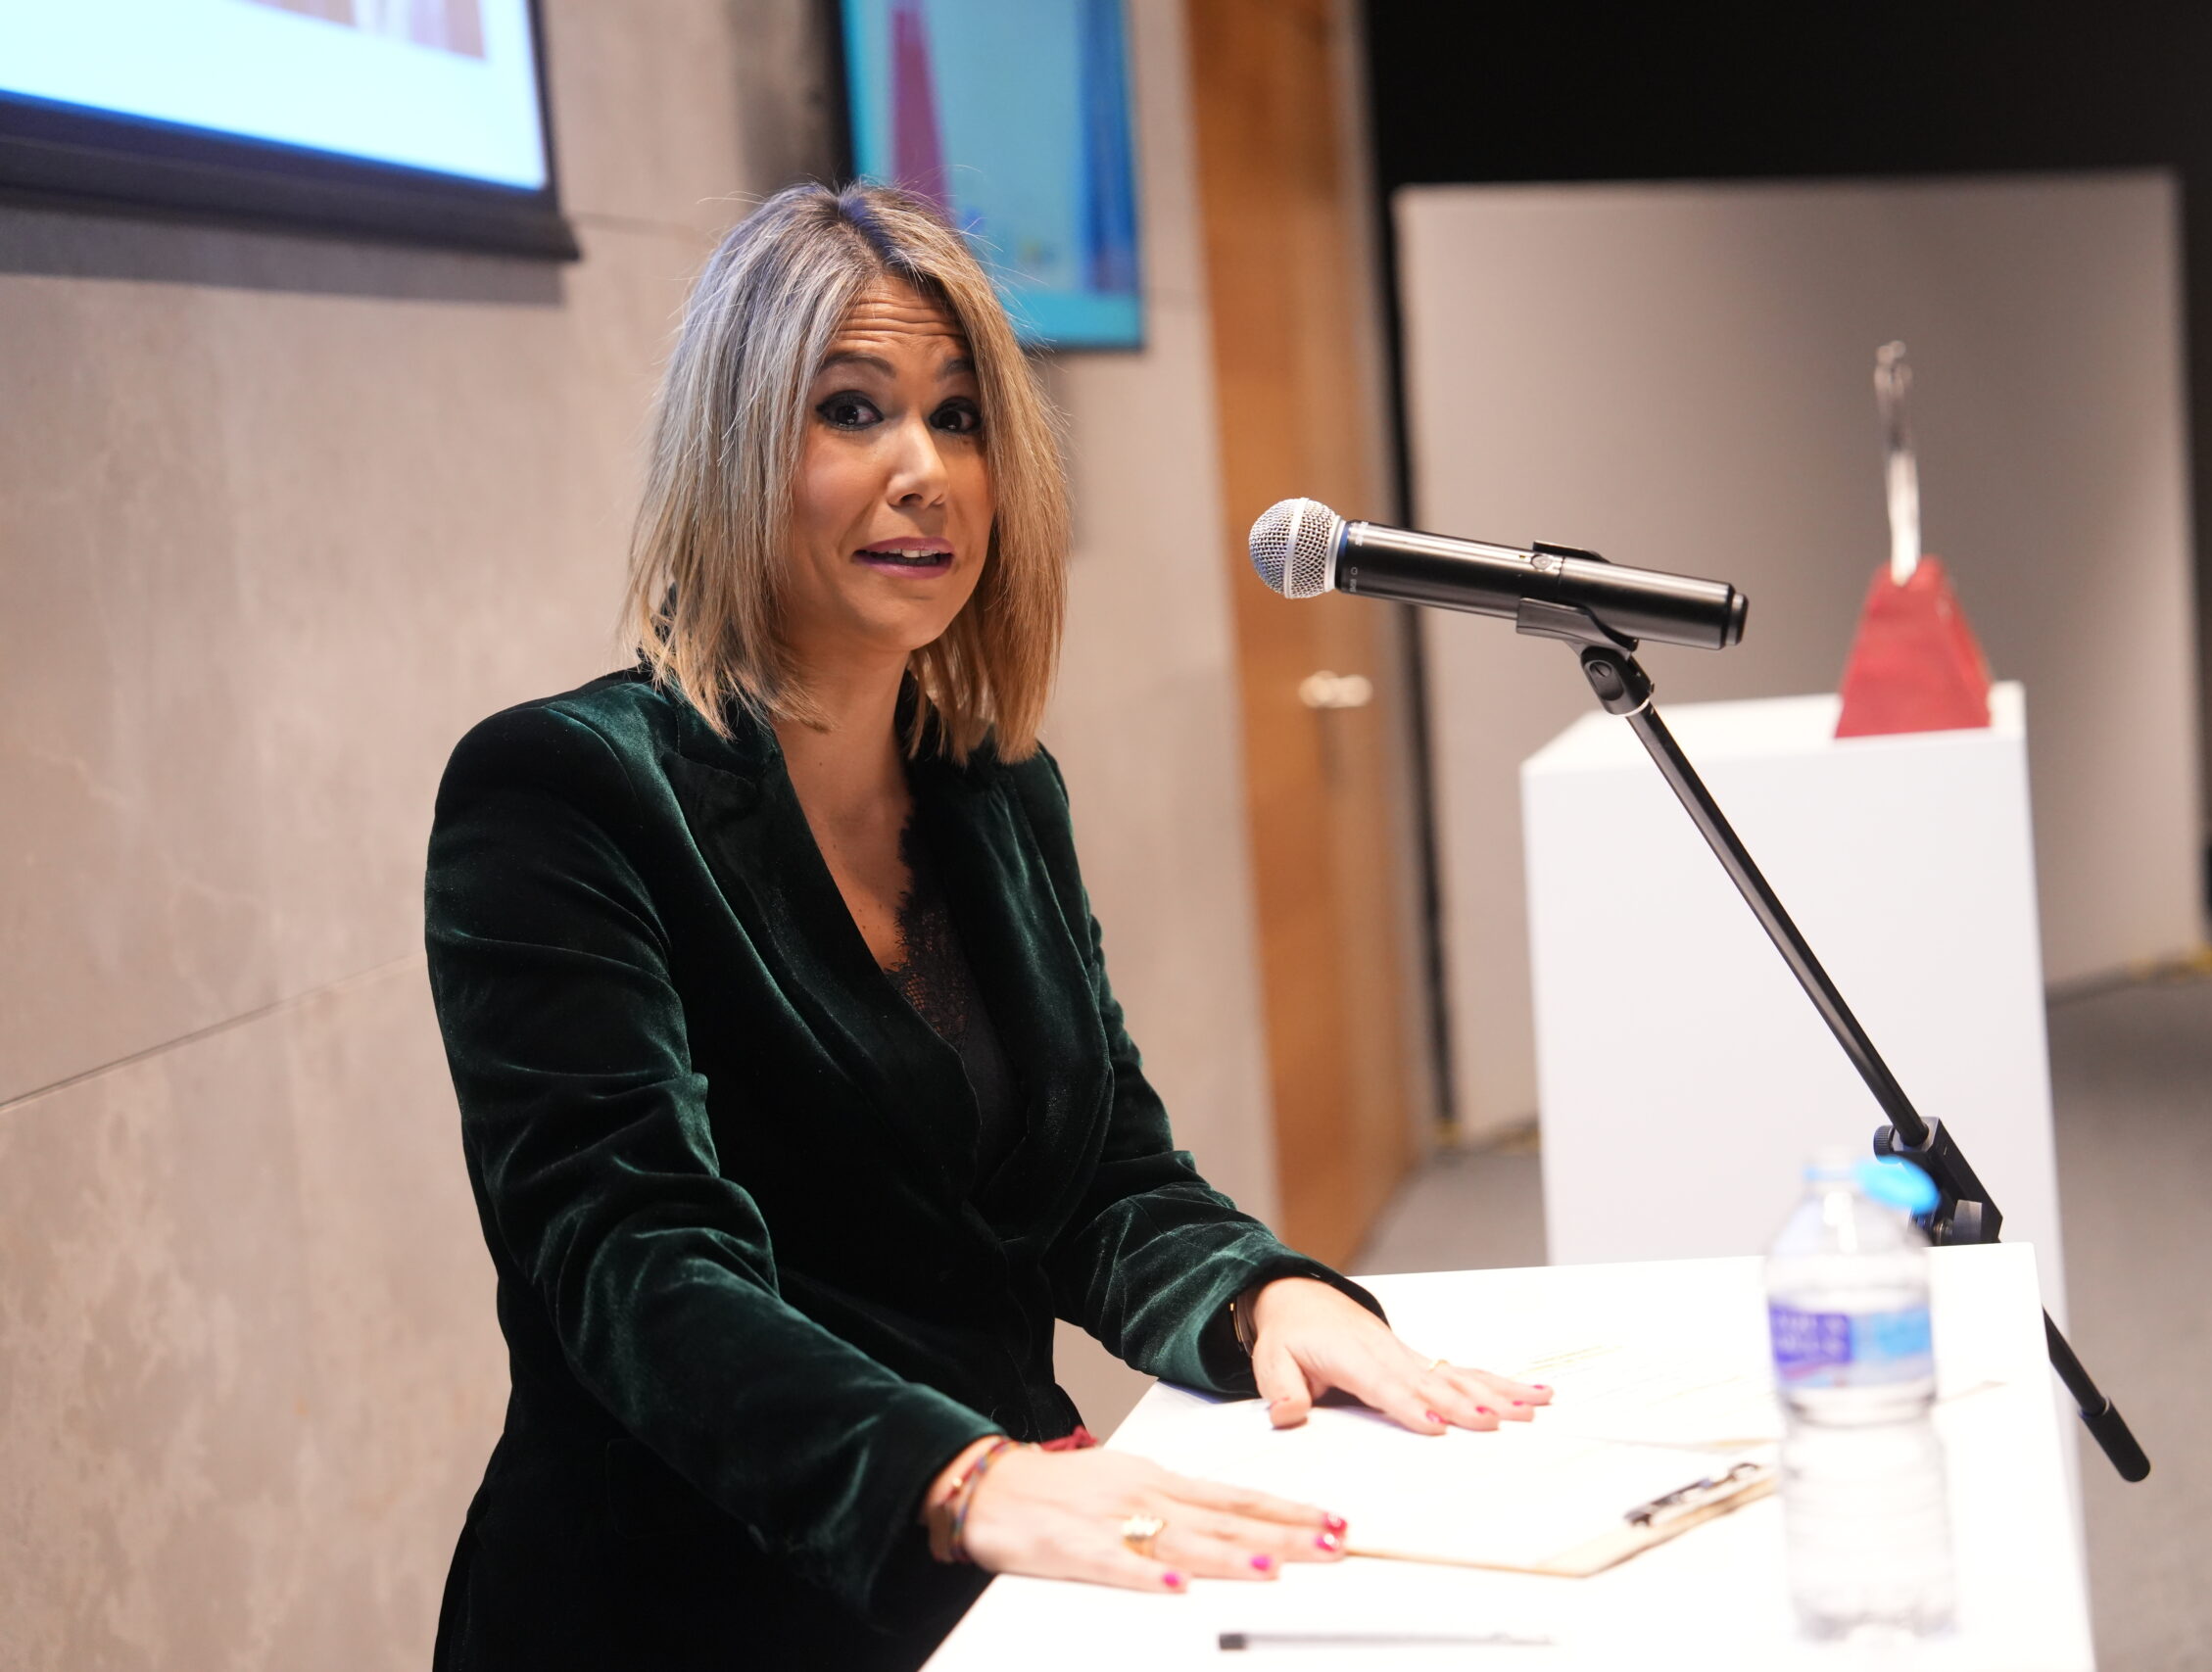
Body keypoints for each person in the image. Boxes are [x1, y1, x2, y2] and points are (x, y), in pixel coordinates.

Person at [423, 181, 1548, 1672]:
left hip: (1001, 1571)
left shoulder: (997, 789)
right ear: (733, 448)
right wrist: (957, 1479)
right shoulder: (561, 791)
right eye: (852, 411)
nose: (926, 472)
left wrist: (1260, 1293)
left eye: (959, 419)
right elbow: (633, 1268)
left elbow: (1101, 1179)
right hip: (689, 1603)